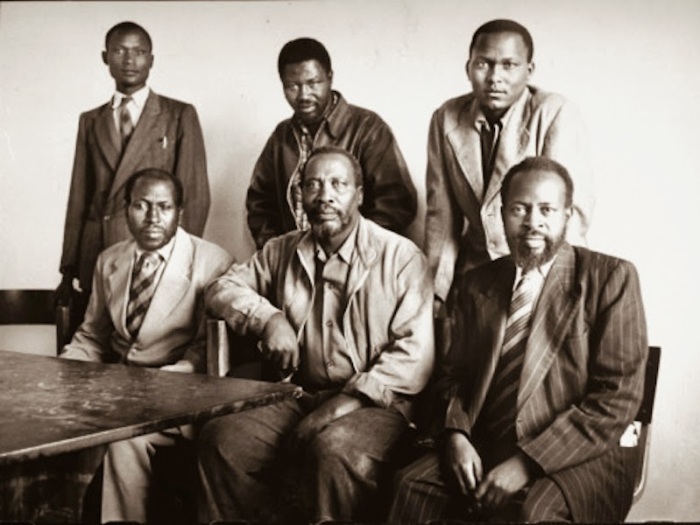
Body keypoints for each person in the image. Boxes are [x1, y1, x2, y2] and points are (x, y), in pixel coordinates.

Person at [388, 157, 648, 523]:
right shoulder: (477, 283)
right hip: (485, 442)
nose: (533, 223)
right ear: (501, 213)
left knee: (533, 513)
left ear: (567, 215)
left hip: (579, 454)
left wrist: (528, 462)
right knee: (410, 485)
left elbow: (616, 397)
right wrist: (455, 435)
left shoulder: (611, 278)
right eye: (519, 209)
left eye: (547, 209)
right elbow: (452, 375)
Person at [199, 146, 434, 523]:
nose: (324, 195)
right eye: (313, 184)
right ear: (301, 196)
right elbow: (220, 289)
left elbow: (414, 357)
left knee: (333, 447)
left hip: (378, 407)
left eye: (338, 184)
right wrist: (269, 318)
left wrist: (345, 403)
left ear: (359, 194)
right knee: (223, 439)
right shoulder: (281, 250)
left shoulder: (401, 257)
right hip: (299, 394)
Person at [60, 168, 231, 523]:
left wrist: (155, 387)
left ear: (180, 212)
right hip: (116, 392)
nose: (153, 217)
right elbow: (92, 336)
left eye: (164, 207)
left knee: (124, 439)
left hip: (179, 394)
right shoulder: (110, 259)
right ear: (126, 210)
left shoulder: (213, 262)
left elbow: (204, 350)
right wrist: (60, 378)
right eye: (141, 205)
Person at [424, 19, 594, 330]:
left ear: (529, 71)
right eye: (484, 64)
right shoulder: (445, 118)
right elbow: (441, 218)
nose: (494, 77)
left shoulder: (555, 112)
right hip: (473, 277)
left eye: (509, 65)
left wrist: (556, 294)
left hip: (537, 271)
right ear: (468, 67)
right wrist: (436, 296)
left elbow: (570, 217)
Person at [57, 21, 210, 312]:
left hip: (155, 250)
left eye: (139, 51)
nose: (129, 60)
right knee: (97, 342)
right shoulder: (90, 120)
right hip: (99, 252)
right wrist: (68, 268)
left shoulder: (178, 114)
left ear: (151, 60)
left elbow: (194, 196)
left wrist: (179, 259)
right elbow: (78, 198)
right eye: (120, 51)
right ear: (106, 57)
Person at [246, 37, 417, 249]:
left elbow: (395, 204)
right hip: (296, 267)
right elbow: (259, 205)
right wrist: (280, 254)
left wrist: (351, 252)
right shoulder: (281, 136)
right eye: (292, 86)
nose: (304, 95)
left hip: (358, 266)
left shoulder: (368, 128)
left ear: (330, 78)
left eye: (313, 83)